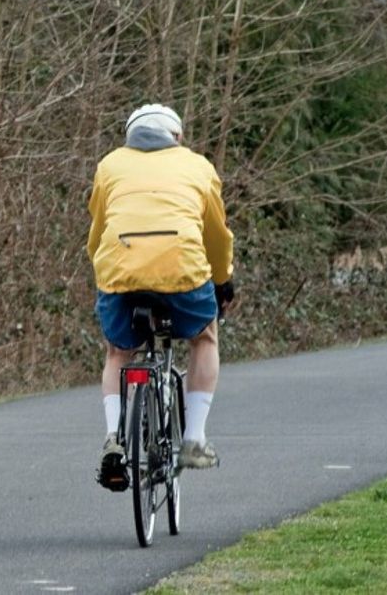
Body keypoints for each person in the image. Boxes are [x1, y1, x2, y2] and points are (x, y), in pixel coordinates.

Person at [87, 103, 234, 488]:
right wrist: (222, 279)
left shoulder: (110, 165)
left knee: (118, 352)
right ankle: (194, 440)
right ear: (178, 137)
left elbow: (99, 229)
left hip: (120, 267)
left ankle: (114, 438)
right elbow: (216, 236)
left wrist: (104, 272)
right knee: (205, 338)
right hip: (183, 268)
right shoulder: (198, 166)